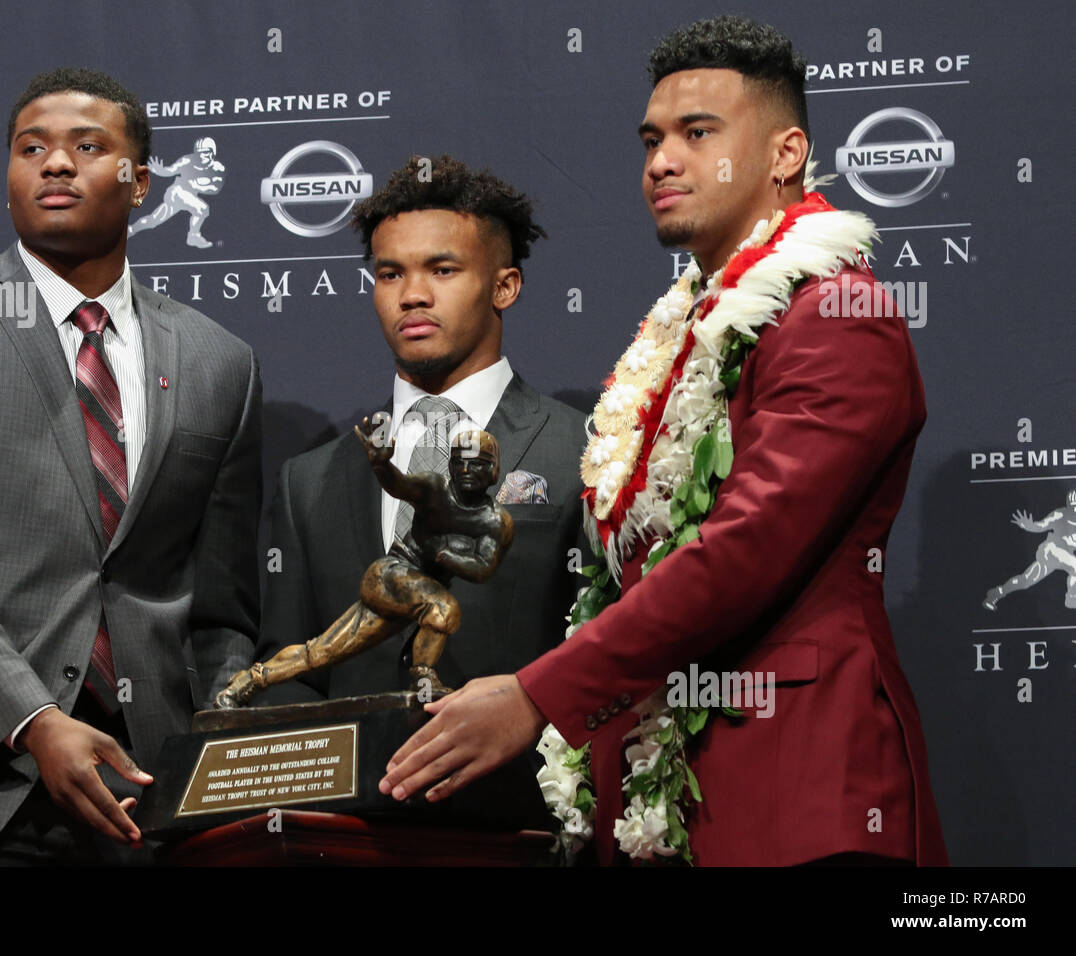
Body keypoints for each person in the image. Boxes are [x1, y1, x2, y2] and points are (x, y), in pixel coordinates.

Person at [378, 17, 948, 867]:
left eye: (697, 134)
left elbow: (743, 551)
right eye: (651, 139)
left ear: (785, 153)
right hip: (664, 787)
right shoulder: (685, 326)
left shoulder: (833, 312)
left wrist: (539, 695)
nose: (661, 161)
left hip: (799, 790)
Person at [0, 67, 261, 865]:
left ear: (141, 183)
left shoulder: (221, 362)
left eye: (88, 146)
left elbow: (223, 607)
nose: (57, 164)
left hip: (148, 803)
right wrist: (34, 720)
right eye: (31, 147)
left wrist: (205, 766)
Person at [251, 155, 586, 706]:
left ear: (505, 287)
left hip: (522, 788)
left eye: (443, 270)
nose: (413, 295)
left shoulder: (584, 449)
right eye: (390, 273)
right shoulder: (307, 482)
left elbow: (610, 650)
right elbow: (293, 677)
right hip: (346, 791)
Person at [217, 426, 513, 707]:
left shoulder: (495, 521)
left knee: (322, 652)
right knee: (444, 609)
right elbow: (400, 485)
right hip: (390, 575)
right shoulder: (435, 489)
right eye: (460, 462)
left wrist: (445, 554)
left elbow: (483, 568)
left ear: (493, 471)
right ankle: (422, 675)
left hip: (411, 598)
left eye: (477, 464)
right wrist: (381, 464)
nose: (466, 471)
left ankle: (247, 681)